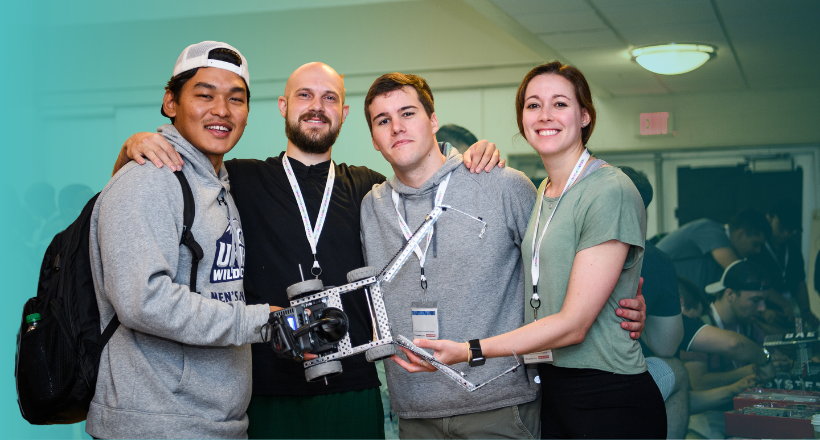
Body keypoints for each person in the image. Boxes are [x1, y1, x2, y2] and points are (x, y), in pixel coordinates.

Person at [115, 62, 505, 439]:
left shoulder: (371, 191)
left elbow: (428, 185)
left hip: (354, 386)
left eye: (329, 98)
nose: (317, 106)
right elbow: (161, 185)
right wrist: (133, 146)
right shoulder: (239, 180)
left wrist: (471, 156)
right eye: (304, 95)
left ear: (344, 112)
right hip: (265, 391)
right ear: (284, 106)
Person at [360, 72, 648, 439]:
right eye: (383, 121)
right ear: (373, 137)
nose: (397, 127)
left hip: (503, 403)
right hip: (416, 410)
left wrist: (628, 298)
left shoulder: (503, 184)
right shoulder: (370, 205)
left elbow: (564, 267)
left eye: (408, 113)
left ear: (433, 121)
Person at [87, 41, 280, 439]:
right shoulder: (150, 178)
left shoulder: (217, 184)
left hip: (210, 421)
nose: (222, 111)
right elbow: (142, 301)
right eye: (204, 95)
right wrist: (262, 322)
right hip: (156, 422)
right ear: (170, 103)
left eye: (236, 99)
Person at [619, 166, 687, 439]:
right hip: (615, 386)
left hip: (548, 378)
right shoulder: (655, 259)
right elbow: (667, 345)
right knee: (678, 372)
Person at [683, 259, 776, 438]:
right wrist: (750, 371)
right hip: (707, 413)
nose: (762, 308)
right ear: (730, 294)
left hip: (742, 409)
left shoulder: (750, 325)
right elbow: (698, 383)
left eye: (764, 301)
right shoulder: (699, 325)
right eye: (756, 300)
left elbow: (770, 360)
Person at [657, 208, 771, 291]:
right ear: (740, 234)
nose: (758, 251)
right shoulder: (709, 230)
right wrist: (784, 303)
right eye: (755, 244)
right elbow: (742, 275)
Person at [750, 199, 816, 332]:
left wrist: (805, 311)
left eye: (791, 230)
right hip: (765, 313)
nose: (786, 234)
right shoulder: (757, 248)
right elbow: (755, 284)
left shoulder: (793, 248)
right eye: (782, 228)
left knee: (801, 340)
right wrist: (767, 310)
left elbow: (800, 282)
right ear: (769, 218)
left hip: (791, 313)